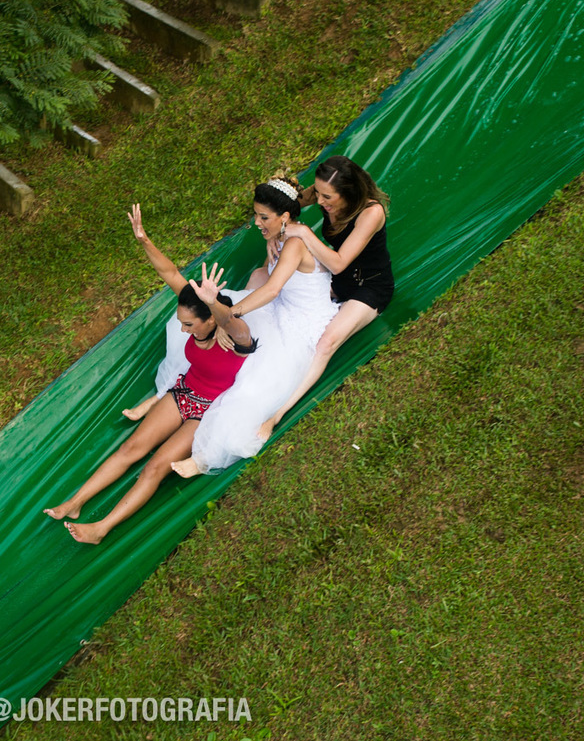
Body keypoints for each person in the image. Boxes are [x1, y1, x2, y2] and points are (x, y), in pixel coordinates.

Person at [43, 205, 256, 544]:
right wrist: (143, 239)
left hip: (207, 411)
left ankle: (101, 528)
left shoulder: (235, 338)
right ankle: (76, 502)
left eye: (189, 324)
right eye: (181, 322)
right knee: (131, 448)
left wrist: (215, 304)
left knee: (155, 466)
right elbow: (170, 272)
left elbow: (230, 321)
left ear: (210, 318)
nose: (183, 330)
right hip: (184, 393)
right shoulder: (195, 314)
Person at [147, 177, 340, 476]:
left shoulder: (295, 243)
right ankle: (172, 392)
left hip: (301, 321)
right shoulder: (279, 235)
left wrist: (229, 315)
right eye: (256, 215)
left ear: (284, 217)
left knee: (253, 373)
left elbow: (273, 289)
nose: (256, 223)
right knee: (214, 335)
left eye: (263, 217)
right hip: (279, 308)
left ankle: (207, 453)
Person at [256, 155, 393, 440]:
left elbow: (339, 263)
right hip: (337, 281)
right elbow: (284, 207)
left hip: (368, 287)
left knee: (326, 343)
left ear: (348, 192)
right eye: (317, 193)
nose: (319, 201)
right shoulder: (322, 195)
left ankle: (277, 414)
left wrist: (305, 233)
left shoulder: (371, 213)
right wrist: (273, 234)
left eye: (327, 197)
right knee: (277, 288)